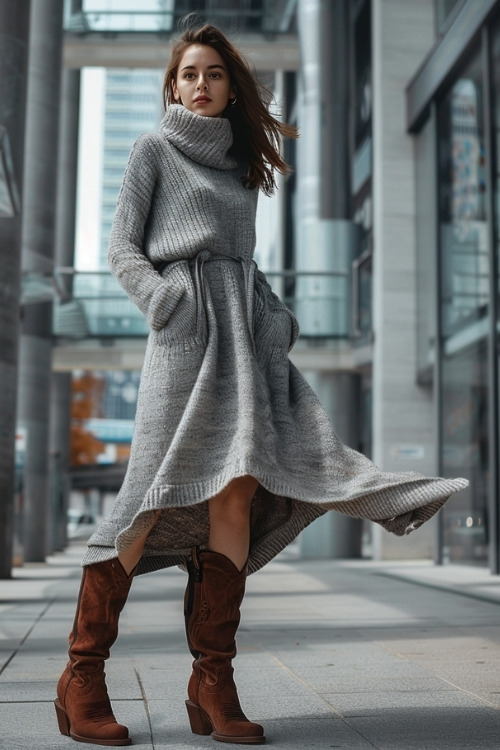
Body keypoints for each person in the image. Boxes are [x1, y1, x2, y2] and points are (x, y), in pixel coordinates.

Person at [54, 22, 468, 748]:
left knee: (237, 489)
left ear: (230, 86)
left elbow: (242, 262)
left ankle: (212, 679)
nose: (201, 85)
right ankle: (82, 674)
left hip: (244, 338)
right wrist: (163, 303)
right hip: (183, 341)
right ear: (172, 85)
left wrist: (274, 316)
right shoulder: (153, 149)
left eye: (214, 74)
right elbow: (122, 247)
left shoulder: (244, 165)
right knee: (149, 497)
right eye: (189, 74)